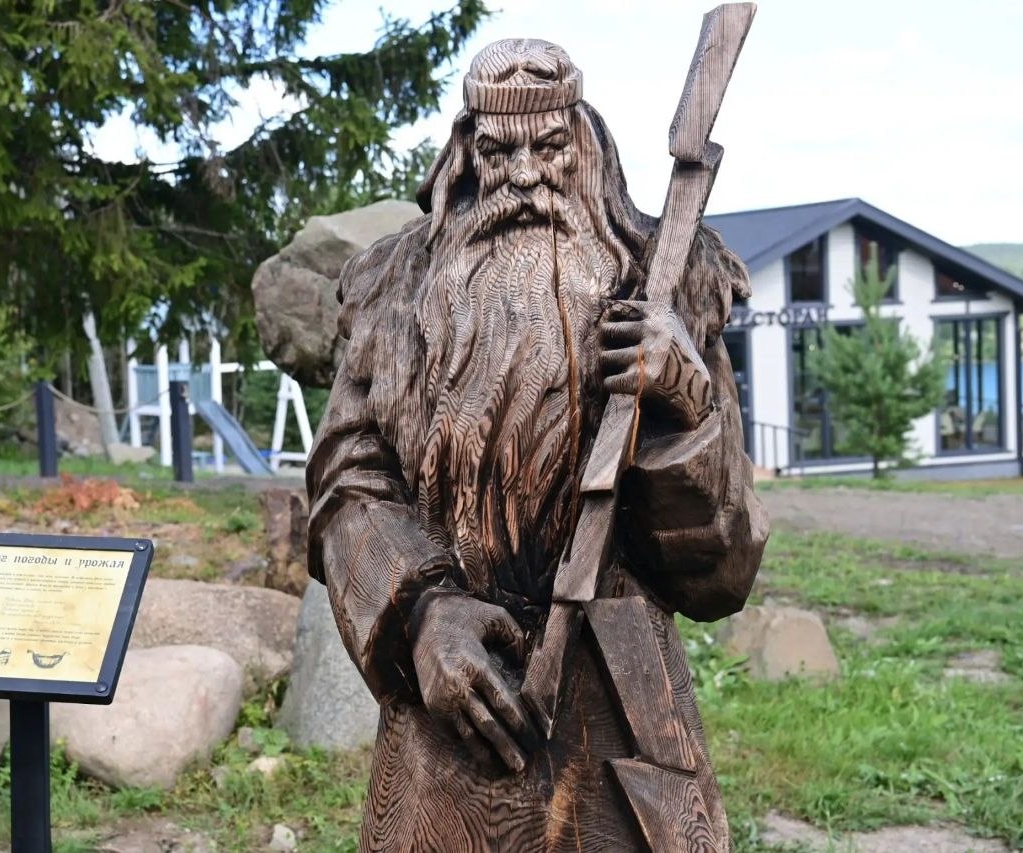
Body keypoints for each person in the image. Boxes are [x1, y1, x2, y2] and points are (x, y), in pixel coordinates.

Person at [307, 40, 766, 851]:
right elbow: (348, 480)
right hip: (453, 715)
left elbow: (721, 570)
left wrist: (685, 407)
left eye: (548, 149)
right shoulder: (391, 287)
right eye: (498, 153)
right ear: (466, 156)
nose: (523, 176)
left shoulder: (670, 278)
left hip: (624, 710)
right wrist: (420, 611)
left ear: (585, 147)